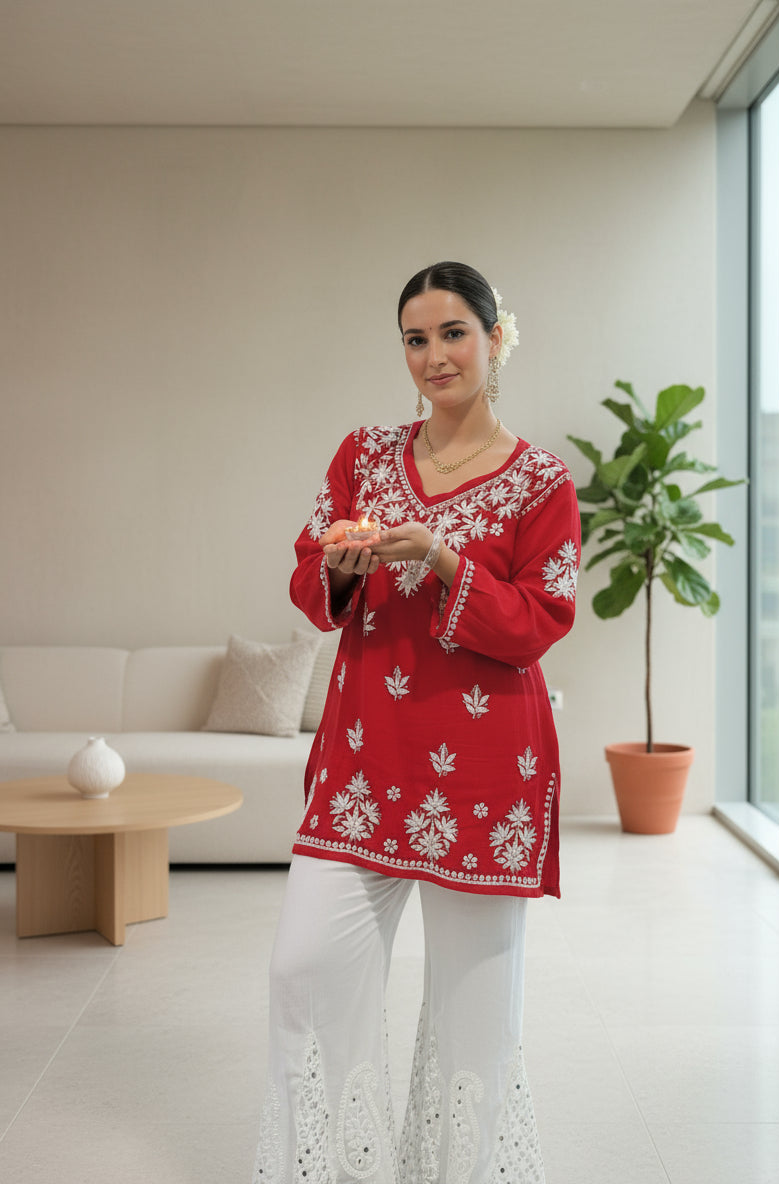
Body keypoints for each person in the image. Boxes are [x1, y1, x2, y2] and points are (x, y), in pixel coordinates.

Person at [253, 262, 580, 1183]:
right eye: (414, 338)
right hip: (363, 763)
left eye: (452, 334)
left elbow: (538, 624)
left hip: (485, 778)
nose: (433, 355)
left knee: (477, 1018)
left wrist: (441, 556)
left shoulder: (542, 482)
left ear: (494, 339)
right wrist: (348, 562)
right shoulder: (363, 454)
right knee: (301, 973)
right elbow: (310, 584)